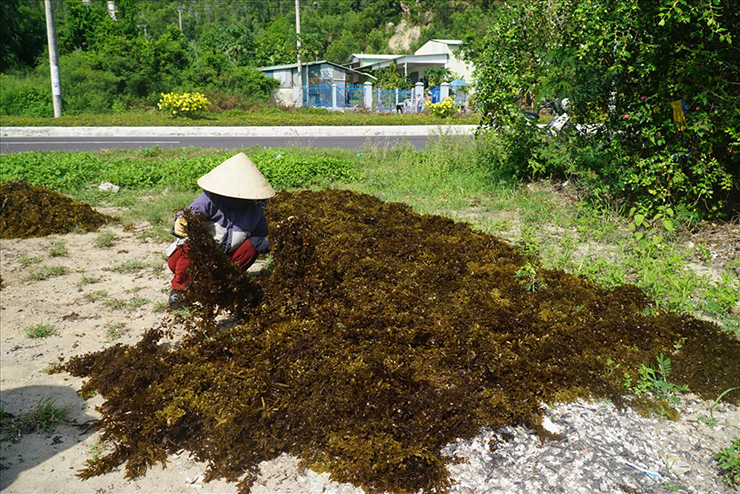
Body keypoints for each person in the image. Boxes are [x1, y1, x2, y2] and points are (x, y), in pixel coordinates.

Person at [166, 152, 275, 308]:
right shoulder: (210, 200)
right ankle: (180, 291)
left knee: (251, 248)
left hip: (223, 262)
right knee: (193, 245)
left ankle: (224, 283)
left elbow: (260, 241)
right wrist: (182, 221)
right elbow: (191, 213)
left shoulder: (256, 212)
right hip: (186, 261)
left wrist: (279, 238)